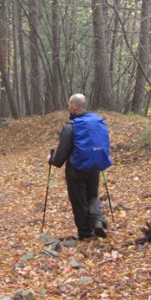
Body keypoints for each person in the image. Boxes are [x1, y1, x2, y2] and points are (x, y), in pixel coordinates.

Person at [49, 93, 108, 239]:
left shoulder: (71, 127)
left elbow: (60, 159)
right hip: (94, 166)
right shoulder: (96, 122)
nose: (68, 108)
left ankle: (85, 233)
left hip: (76, 171)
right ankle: (97, 221)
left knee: (79, 202)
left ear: (73, 107)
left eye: (69, 105)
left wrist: (51, 159)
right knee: (92, 197)